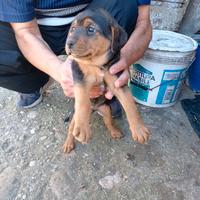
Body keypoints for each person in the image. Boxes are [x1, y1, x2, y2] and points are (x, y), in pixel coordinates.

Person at [0, 0, 152, 116]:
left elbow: (143, 22)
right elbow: (26, 31)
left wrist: (122, 59)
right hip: (34, 24)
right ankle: (33, 79)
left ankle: (103, 87)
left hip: (91, 22)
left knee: (126, 3)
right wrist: (58, 71)